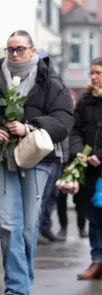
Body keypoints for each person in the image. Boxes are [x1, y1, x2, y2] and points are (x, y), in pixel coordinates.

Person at [0, 30, 73, 295]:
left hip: (37, 158)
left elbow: (63, 120)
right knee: (6, 221)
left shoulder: (48, 78)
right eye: (10, 49)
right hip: (0, 156)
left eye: (20, 49)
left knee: (28, 225)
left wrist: (30, 126)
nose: (14, 55)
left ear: (32, 50)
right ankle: (17, 286)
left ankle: (22, 279)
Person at [69, 57, 102, 280]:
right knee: (94, 216)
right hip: (89, 168)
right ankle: (97, 261)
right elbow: (75, 131)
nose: (93, 77)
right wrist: (79, 151)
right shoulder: (85, 100)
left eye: (98, 72)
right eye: (92, 72)